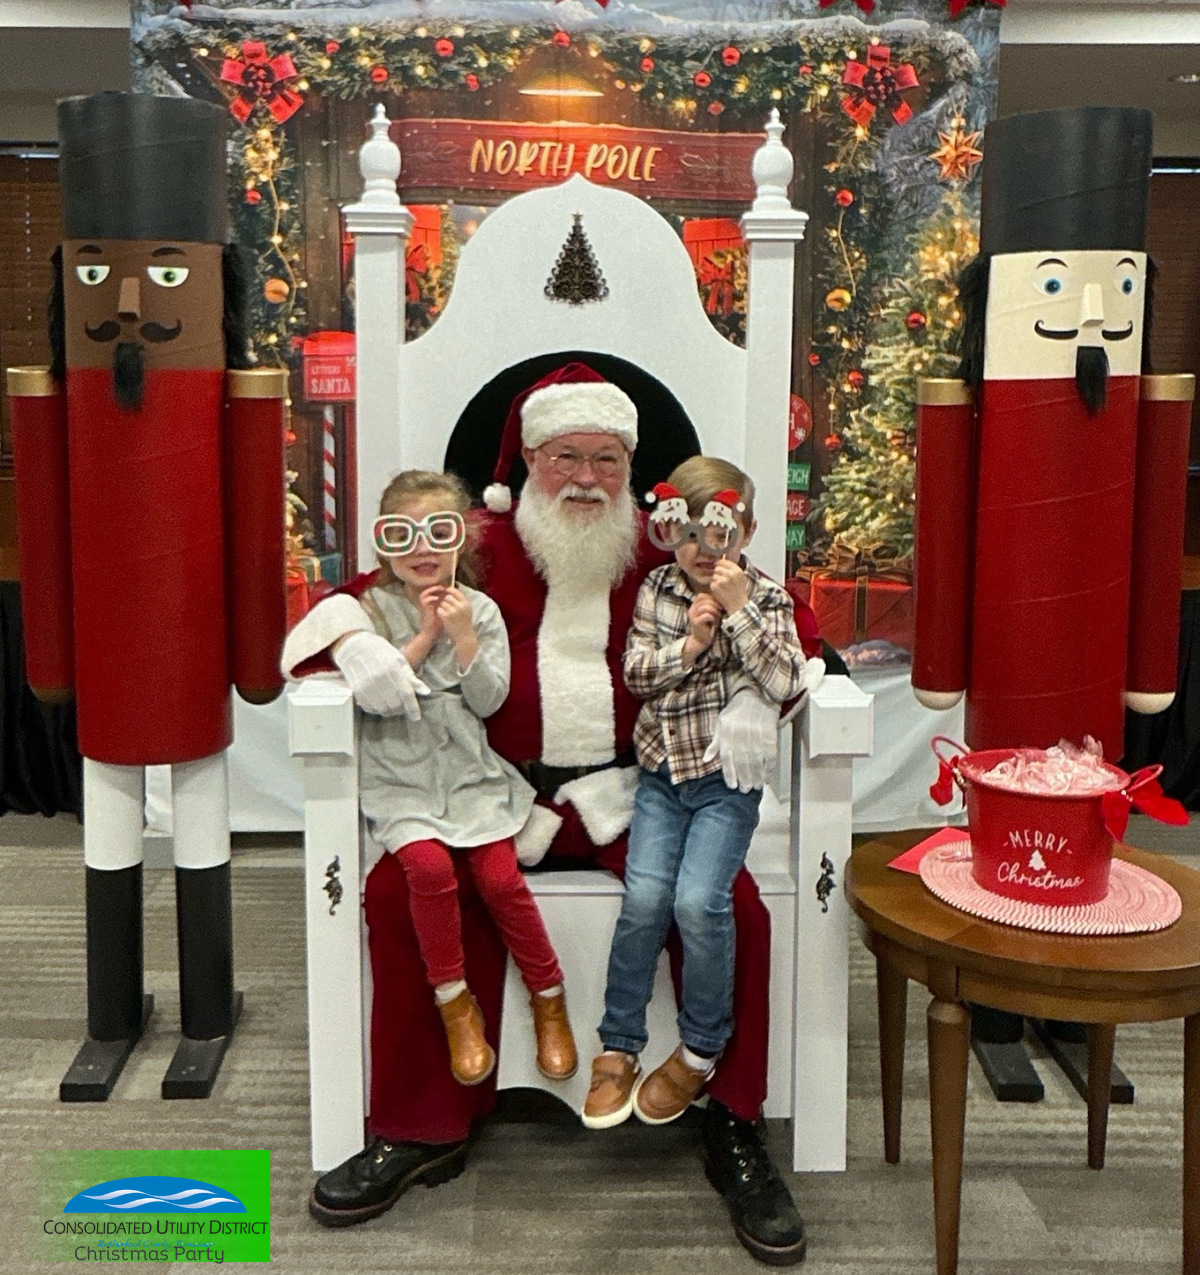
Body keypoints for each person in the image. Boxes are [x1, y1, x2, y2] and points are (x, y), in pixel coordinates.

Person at [283, 363, 810, 1265]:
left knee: (735, 909)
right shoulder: (480, 538)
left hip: (632, 787)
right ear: (528, 457)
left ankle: (732, 1121)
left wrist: (765, 699)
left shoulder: (662, 542)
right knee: (401, 890)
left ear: (631, 467)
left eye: (606, 458)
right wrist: (360, 639)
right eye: (565, 454)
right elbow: (359, 588)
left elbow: (775, 609)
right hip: (493, 787)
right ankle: (423, 1124)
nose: (585, 477)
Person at [332, 468, 577, 1089]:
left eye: (436, 533)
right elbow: (378, 695)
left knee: (500, 878)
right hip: (401, 772)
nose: (421, 549)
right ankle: (455, 1004)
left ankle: (548, 994)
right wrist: (426, 636)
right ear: (383, 544)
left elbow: (491, 701)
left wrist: (465, 634)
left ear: (460, 541)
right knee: (429, 869)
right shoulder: (366, 610)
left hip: (467, 771)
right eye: (402, 534)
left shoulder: (483, 609)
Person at [583, 458, 807, 1130]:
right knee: (645, 897)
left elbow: (786, 675)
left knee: (698, 902)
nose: (702, 553)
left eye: (719, 536)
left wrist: (736, 615)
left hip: (724, 788)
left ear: (745, 531)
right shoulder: (657, 588)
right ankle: (619, 1042)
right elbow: (636, 674)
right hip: (659, 777)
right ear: (669, 530)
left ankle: (701, 1047)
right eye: (687, 536)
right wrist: (691, 646)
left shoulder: (766, 597)